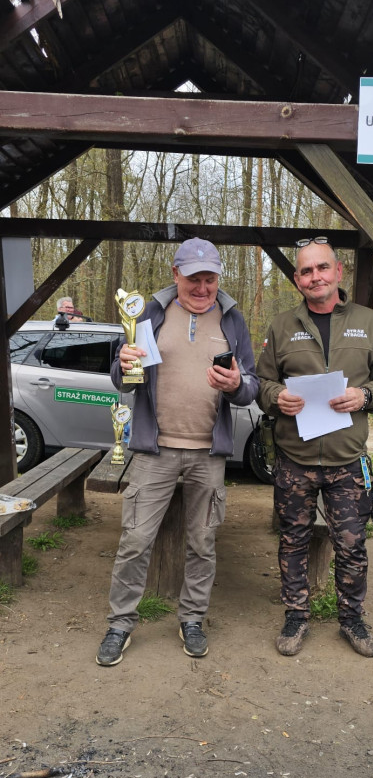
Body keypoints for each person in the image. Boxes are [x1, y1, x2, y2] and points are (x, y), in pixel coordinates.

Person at [96, 238, 259, 666]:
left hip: (209, 452)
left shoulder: (233, 318)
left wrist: (237, 385)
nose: (202, 287)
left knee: (202, 542)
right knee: (135, 540)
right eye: (193, 278)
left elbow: (251, 386)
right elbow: (122, 379)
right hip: (154, 451)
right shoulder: (148, 313)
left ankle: (192, 619)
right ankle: (120, 624)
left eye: (210, 279)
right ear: (175, 274)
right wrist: (123, 363)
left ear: (218, 278)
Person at [257, 237, 373, 658]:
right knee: (293, 540)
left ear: (338, 272)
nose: (315, 277)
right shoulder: (281, 326)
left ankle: (351, 619)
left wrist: (365, 395)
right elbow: (261, 382)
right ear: (297, 279)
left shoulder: (370, 322)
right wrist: (275, 397)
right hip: (295, 458)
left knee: (352, 545)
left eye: (322, 267)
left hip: (347, 460)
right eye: (306, 271)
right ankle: (296, 616)